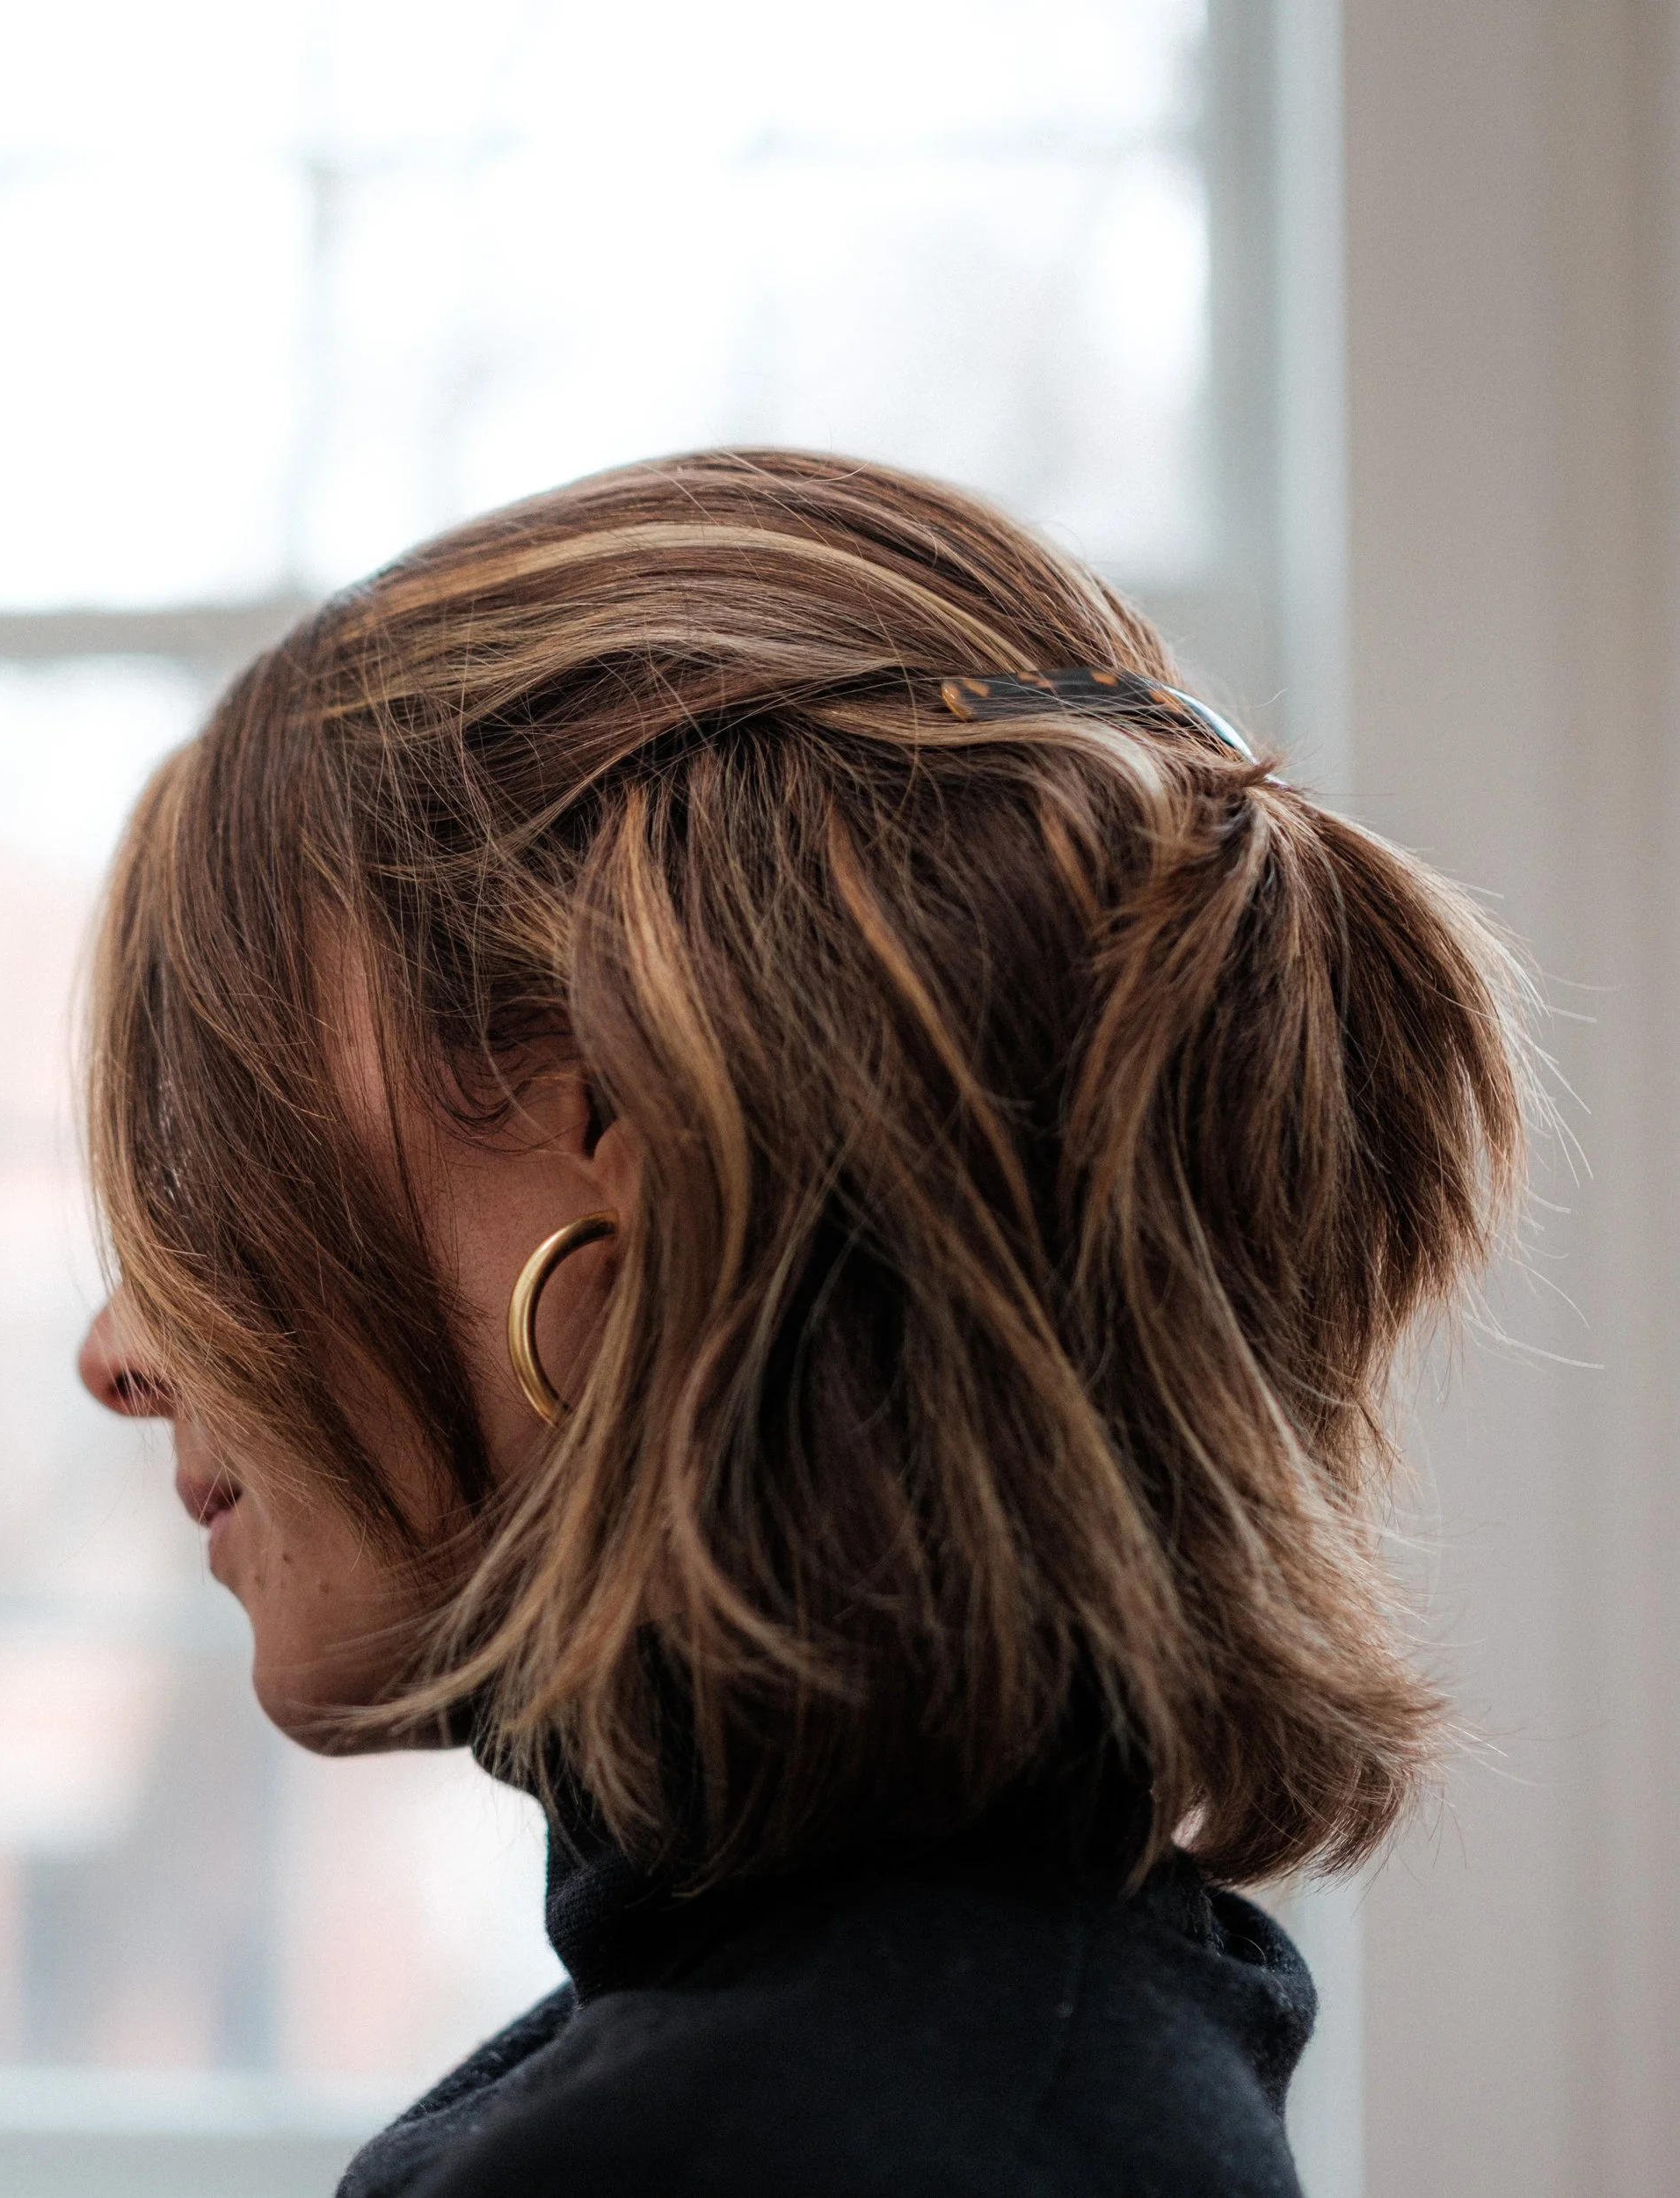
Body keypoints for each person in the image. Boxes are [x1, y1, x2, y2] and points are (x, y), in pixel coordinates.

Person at [76, 449, 1532, 2196]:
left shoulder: (802, 2141)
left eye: (201, 1147)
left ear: (602, 1144)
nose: (117, 1348)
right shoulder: (923, 2058)